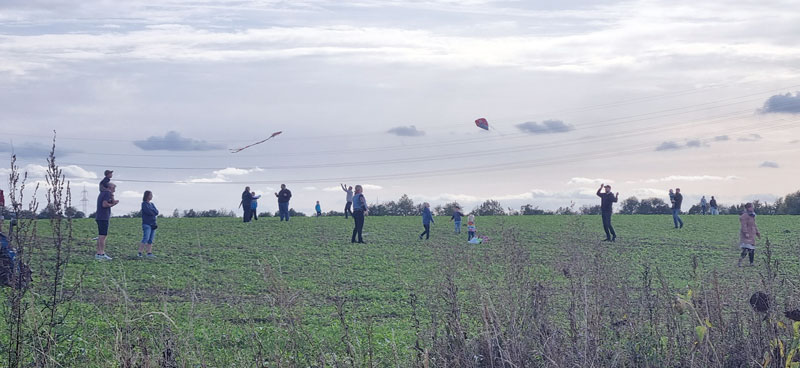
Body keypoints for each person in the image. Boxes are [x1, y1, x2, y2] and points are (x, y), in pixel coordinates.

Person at [95, 182, 119, 260]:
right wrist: (113, 204)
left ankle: (99, 253)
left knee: (100, 236)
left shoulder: (103, 193)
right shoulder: (107, 193)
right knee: (103, 236)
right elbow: (104, 204)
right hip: (103, 217)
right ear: (110, 188)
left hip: (100, 216)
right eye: (114, 188)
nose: (114, 190)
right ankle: (101, 254)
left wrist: (112, 199)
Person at [738, 203, 761, 267]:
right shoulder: (744, 216)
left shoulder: (752, 215)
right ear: (748, 208)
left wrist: (757, 233)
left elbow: (754, 225)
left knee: (752, 249)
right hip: (746, 235)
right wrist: (745, 233)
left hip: (752, 234)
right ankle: (740, 261)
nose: (753, 208)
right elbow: (743, 225)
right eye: (751, 207)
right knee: (746, 249)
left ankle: (751, 263)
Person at [139, 190, 158, 258]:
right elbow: (148, 212)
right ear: (147, 196)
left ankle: (149, 253)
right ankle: (140, 253)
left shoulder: (152, 204)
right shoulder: (144, 204)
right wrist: (152, 212)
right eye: (150, 195)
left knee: (151, 239)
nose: (151, 196)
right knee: (146, 238)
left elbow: (156, 212)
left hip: (153, 224)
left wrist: (152, 212)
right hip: (147, 223)